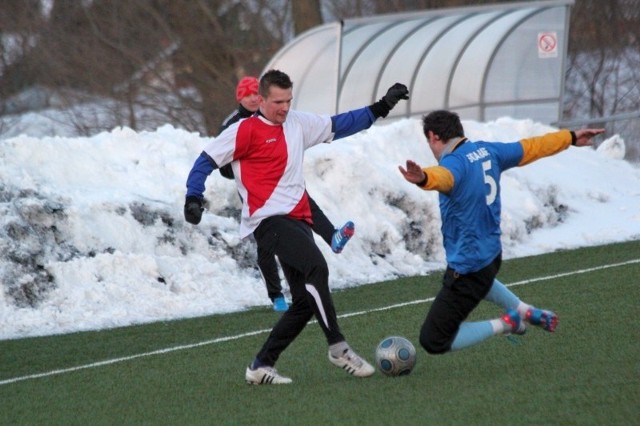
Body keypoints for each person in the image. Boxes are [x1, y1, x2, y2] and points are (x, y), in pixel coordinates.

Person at [185, 69, 409, 384]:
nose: (285, 108)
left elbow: (341, 123)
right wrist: (193, 197)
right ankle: (338, 347)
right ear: (260, 100)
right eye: (278, 102)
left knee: (304, 302)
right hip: (267, 221)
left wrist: (382, 106)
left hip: (299, 218)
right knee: (317, 267)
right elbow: (204, 161)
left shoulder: (298, 124)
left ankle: (261, 365)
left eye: (289, 100)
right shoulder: (242, 131)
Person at [398, 109, 604, 355]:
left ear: (433, 136)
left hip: (469, 266)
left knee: (433, 339)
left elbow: (444, 177)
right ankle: (525, 311)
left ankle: (508, 323)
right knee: (481, 281)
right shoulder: (488, 151)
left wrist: (423, 178)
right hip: (492, 256)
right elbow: (532, 146)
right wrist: (570, 138)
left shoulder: (453, 163)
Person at [216, 76, 356, 312]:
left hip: (281, 181)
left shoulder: (277, 117)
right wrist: (247, 165)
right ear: (240, 98)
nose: (251, 98)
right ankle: (276, 295)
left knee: (303, 204)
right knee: (267, 244)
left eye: (254, 93)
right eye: (246, 94)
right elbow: (222, 164)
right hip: (256, 194)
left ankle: (332, 237)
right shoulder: (234, 124)